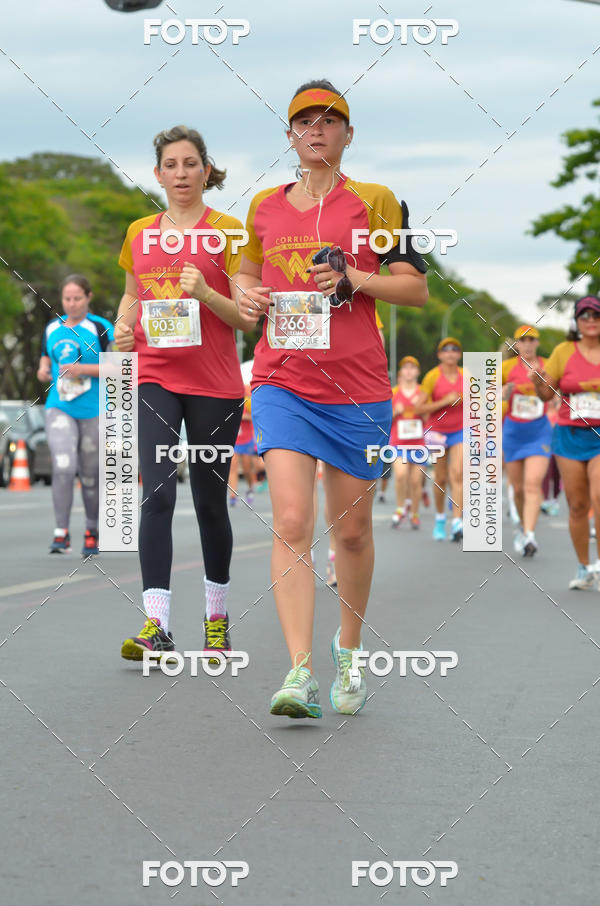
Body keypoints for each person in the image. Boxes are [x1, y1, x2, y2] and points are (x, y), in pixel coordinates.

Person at [235, 79, 428, 718]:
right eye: (302, 122)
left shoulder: (376, 202)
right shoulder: (263, 206)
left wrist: (354, 277)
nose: (315, 131)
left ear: (348, 135)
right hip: (282, 380)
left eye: (328, 121)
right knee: (291, 521)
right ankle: (299, 673)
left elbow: (413, 290)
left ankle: (349, 651)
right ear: (289, 136)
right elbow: (244, 280)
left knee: (350, 534)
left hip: (357, 390)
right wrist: (246, 298)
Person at [113, 125, 248, 660]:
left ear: (206, 170)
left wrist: (207, 292)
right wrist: (122, 330)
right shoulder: (139, 231)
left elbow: (246, 317)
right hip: (154, 374)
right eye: (172, 165)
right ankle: (157, 625)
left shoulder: (229, 233)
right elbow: (130, 294)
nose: (182, 174)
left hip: (215, 382)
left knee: (210, 502)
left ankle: (216, 618)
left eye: (191, 163)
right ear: (158, 174)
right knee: (158, 493)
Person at [37, 275, 114, 556]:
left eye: (77, 298)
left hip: (94, 408)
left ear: (88, 297)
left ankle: (92, 530)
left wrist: (84, 370)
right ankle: (61, 533)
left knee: (91, 473)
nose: (71, 304)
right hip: (60, 406)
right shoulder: (52, 328)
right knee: (64, 465)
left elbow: (120, 368)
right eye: (67, 299)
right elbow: (46, 356)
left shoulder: (101, 328)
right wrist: (43, 369)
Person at [533, 295, 600, 590]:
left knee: (599, 499)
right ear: (576, 321)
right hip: (569, 434)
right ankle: (585, 567)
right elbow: (547, 394)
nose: (590, 320)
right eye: (584, 315)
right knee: (576, 504)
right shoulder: (563, 350)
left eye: (595, 315)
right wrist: (538, 381)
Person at [502, 326, 552, 557]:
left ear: (537, 343)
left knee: (533, 483)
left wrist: (541, 384)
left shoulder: (548, 365)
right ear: (517, 345)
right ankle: (523, 527)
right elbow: (482, 394)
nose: (528, 344)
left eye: (532, 340)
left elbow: (555, 394)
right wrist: (500, 391)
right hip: (513, 432)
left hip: (539, 431)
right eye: (523, 340)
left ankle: (530, 535)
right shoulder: (506, 368)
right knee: (519, 489)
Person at [419, 337, 464, 542]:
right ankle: (439, 519)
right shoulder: (432, 377)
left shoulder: (467, 376)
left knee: (459, 473)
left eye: (455, 350)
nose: (451, 353)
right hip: (437, 431)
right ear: (440, 355)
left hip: (461, 429)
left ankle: (457, 521)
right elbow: (419, 408)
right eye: (446, 350)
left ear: (459, 355)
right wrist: (444, 402)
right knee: (441, 478)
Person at [389, 356, 426, 528]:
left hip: (418, 443)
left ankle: (415, 513)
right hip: (398, 443)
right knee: (401, 475)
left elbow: (431, 417)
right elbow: (384, 418)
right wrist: (395, 412)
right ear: (401, 372)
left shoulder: (423, 393)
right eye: (406, 367)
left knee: (416, 481)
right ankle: (399, 508)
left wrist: (421, 409)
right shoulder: (393, 392)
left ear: (418, 372)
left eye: (412, 367)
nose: (409, 370)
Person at [229, 385, 256, 505]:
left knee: (246, 469)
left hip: (247, 440)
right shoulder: (230, 401)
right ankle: (232, 496)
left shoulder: (247, 401)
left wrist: (243, 416)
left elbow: (255, 416)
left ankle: (250, 489)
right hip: (234, 441)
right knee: (233, 467)